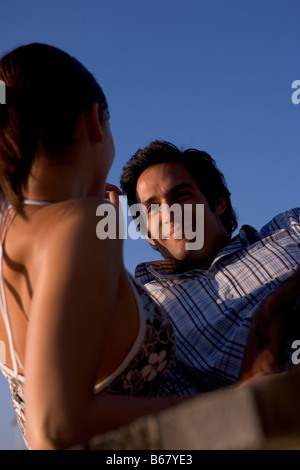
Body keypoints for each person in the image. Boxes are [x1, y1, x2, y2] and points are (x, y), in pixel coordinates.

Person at [0, 44, 189, 450]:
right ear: (94, 123)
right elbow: (56, 427)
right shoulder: (85, 223)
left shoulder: (10, 233)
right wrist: (240, 399)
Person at [120, 140, 300, 396]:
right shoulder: (151, 316)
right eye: (152, 208)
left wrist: (275, 307)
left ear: (217, 203)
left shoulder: (290, 226)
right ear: (148, 234)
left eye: (180, 195)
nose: (169, 213)